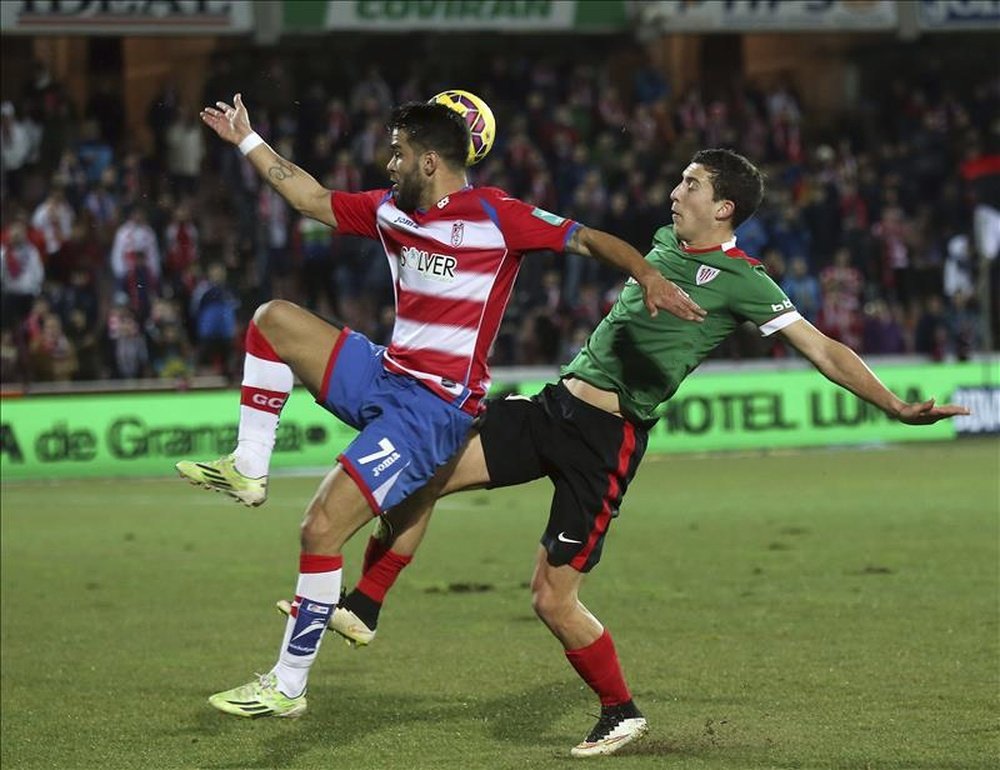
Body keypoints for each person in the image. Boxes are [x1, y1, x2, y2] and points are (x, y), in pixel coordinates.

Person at [275, 148, 970, 757]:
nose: (676, 192)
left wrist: (895, 407)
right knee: (423, 472)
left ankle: (620, 712)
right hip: (554, 408)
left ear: (724, 206)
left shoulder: (746, 280)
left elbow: (822, 348)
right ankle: (364, 604)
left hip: (607, 442)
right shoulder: (663, 244)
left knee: (552, 599)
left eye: (692, 184)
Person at [179, 93, 706, 724]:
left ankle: (289, 683)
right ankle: (249, 465)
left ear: (430, 161)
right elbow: (309, 198)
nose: (388, 163)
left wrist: (646, 275)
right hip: (386, 373)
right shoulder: (390, 209)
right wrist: (246, 138)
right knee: (272, 320)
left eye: (398, 152)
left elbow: (588, 239)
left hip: (432, 407)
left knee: (321, 529)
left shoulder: (497, 215)